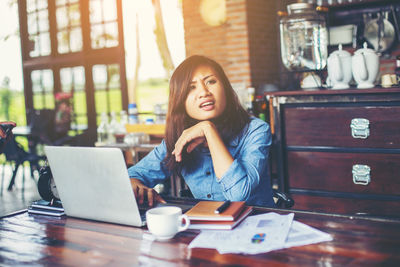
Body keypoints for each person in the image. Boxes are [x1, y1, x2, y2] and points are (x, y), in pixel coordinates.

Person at [128, 55, 275, 207]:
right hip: (207, 225)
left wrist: (208, 129)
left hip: (256, 224)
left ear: (225, 87)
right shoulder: (180, 138)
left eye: (211, 81)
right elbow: (132, 175)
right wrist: (135, 185)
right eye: (191, 87)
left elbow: (238, 194)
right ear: (180, 100)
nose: (204, 92)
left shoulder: (256, 130)